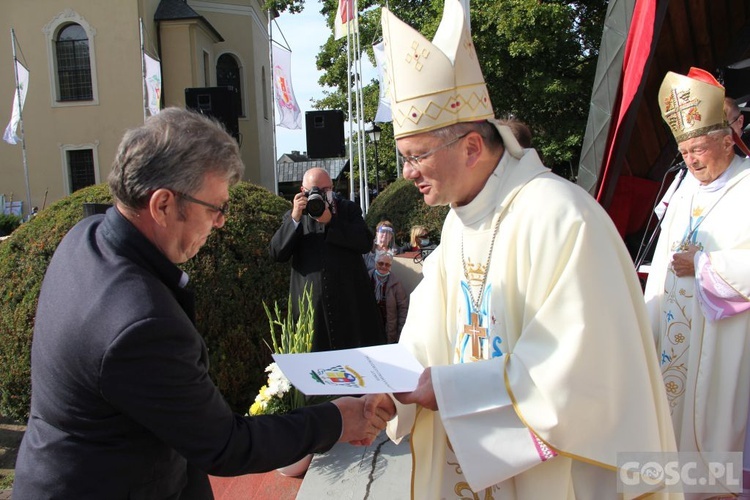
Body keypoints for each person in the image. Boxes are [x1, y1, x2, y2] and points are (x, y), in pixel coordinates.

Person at [363, 2, 678, 498]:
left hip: (550, 477)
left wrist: (447, 389)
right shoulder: (461, 221)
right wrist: (391, 393)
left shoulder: (560, 217)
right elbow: (427, 334)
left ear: (470, 147)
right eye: (404, 157)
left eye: (416, 156)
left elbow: (581, 371)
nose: (407, 173)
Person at [13, 108, 390, 499]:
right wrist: (336, 419)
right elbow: (225, 445)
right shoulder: (138, 324)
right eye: (216, 208)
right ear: (162, 205)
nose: (221, 222)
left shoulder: (86, 235)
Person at [645, 68, 750, 495]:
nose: (691, 160)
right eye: (685, 151)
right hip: (674, 330)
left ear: (728, 140)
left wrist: (706, 266)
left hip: (725, 337)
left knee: (715, 424)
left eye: (700, 149)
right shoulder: (684, 190)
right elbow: (660, 260)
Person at [269, 167, 386, 351]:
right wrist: (294, 219)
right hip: (312, 310)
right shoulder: (297, 216)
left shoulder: (348, 209)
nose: (320, 196)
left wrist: (331, 221)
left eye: (325, 191)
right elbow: (277, 253)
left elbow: (365, 242)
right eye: (314, 191)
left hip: (350, 304)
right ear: (302, 191)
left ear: (332, 188)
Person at [369, 250, 409, 343]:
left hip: (387, 329)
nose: (383, 266)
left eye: (387, 265)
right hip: (369, 325)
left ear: (390, 267)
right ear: (375, 263)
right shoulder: (367, 278)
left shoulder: (396, 283)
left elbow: (403, 308)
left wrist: (401, 333)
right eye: (381, 263)